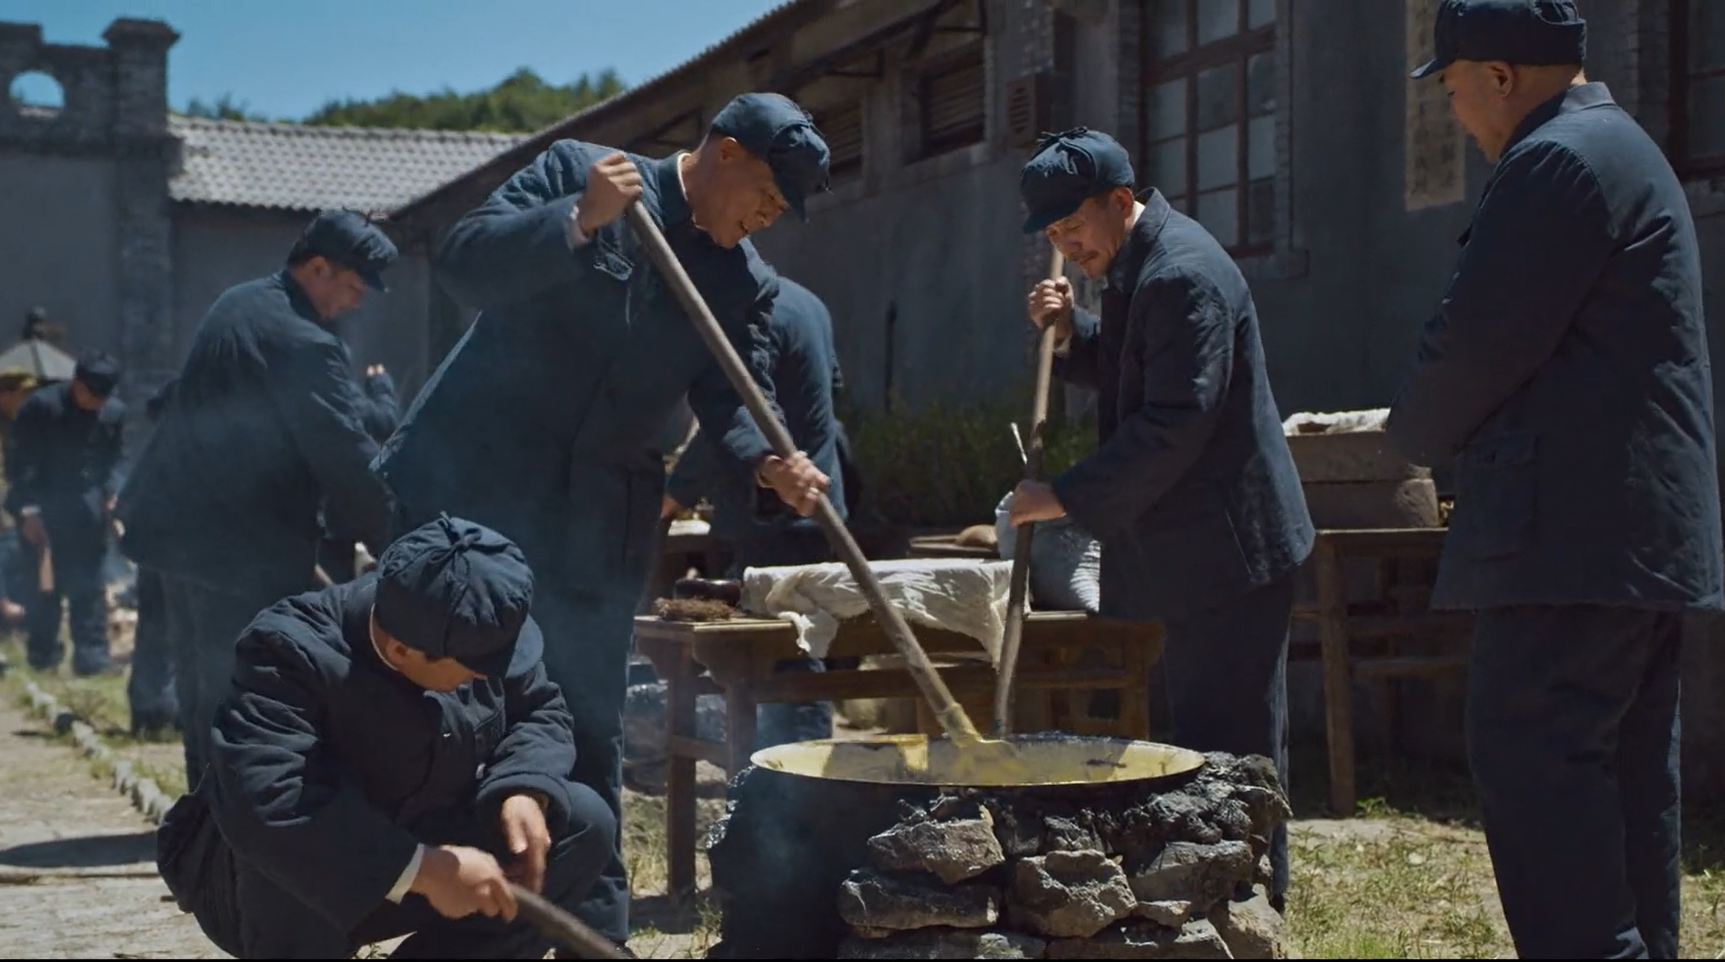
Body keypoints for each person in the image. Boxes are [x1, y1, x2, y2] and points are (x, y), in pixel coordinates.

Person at [374, 91, 833, 948]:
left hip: (593, 531)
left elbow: (732, 397)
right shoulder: (581, 175)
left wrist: (765, 460)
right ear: (725, 153)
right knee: (444, 712)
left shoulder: (738, 278)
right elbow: (464, 261)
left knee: (587, 726)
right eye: (766, 197)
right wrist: (578, 219)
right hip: (476, 501)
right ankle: (420, 902)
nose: (767, 219)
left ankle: (596, 935)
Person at [1387, 2, 1719, 957]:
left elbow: (1477, 340)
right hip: (1622, 543)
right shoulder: (1618, 149)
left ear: (1500, 76)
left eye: (1450, 86)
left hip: (1568, 541)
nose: (1452, 110)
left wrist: (1408, 432)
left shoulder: (1558, 160)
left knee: (1537, 770)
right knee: (1616, 788)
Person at [1009, 128, 1313, 911]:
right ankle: (1217, 898)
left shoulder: (1182, 274)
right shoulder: (1139, 262)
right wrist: (1073, 333)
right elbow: (1138, 366)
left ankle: (1249, 906)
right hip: (1194, 551)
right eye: (1052, 235)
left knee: (1234, 746)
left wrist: (1064, 495)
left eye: (1073, 227)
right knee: (1203, 735)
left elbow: (1175, 419)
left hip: (1227, 548)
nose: (1067, 247)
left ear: (1120, 201)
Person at [154, 515, 616, 959]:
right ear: (402, 650)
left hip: (425, 843)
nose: (487, 677)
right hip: (277, 888)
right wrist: (419, 869)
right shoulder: (287, 654)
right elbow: (268, 801)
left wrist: (523, 787)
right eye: (472, 671)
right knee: (292, 847)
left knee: (584, 821)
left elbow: (538, 708)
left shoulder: (478, 623)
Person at [116, 209, 398, 790]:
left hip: (181, 531)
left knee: (203, 688)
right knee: (242, 691)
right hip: (234, 547)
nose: (354, 303)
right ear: (317, 268)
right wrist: (401, 542)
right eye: (350, 287)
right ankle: (235, 835)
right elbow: (343, 454)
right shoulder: (302, 339)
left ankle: (208, 822)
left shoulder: (240, 301)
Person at [663, 276, 854, 749]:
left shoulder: (752, 315)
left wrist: (673, 494)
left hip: (776, 512)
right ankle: (787, 769)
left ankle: (787, 777)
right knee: (802, 636)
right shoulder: (810, 301)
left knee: (784, 647)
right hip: (818, 501)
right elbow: (830, 387)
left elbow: (730, 423)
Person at [5, 352, 126, 675]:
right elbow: (20, 462)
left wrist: (112, 493)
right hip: (43, 505)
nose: (95, 403)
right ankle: (43, 655)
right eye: (91, 395)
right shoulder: (41, 407)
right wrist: (28, 510)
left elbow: (114, 459)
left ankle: (92, 658)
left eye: (102, 397)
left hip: (88, 508)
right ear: (77, 383)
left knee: (89, 586)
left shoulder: (113, 413)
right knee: (44, 586)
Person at [126, 379, 179, 734]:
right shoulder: (182, 445)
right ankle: (157, 709)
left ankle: (153, 710)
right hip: (175, 554)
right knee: (167, 632)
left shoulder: (162, 444)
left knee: (158, 630)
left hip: (163, 552)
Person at [318, 362, 400, 583]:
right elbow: (385, 420)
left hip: (330, 520)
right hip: (360, 504)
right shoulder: (335, 391)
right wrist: (381, 386)